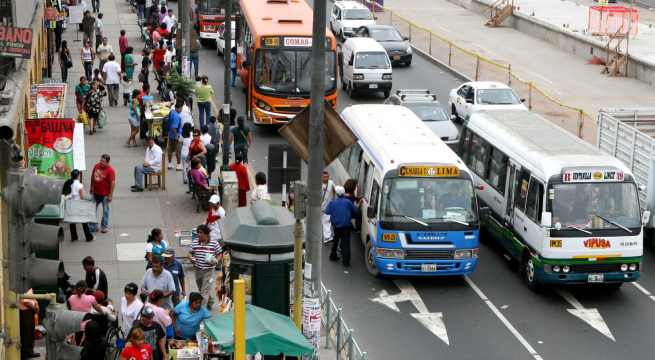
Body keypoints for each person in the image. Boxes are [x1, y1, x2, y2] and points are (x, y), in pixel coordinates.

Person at [325, 186, 362, 267]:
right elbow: (355, 211)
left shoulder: (332, 202)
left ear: (337, 194)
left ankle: (333, 255)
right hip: (346, 226)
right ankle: (346, 262)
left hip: (336, 226)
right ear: (343, 193)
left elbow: (327, 211)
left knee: (335, 240)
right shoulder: (347, 202)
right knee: (346, 243)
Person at [189, 225, 221, 308]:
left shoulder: (214, 243)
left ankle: (202, 310)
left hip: (208, 271)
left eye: (201, 233)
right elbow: (190, 253)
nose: (199, 234)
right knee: (201, 289)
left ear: (207, 234)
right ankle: (210, 301)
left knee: (204, 292)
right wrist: (191, 258)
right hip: (197, 269)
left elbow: (219, 253)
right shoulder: (195, 242)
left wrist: (216, 261)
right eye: (198, 232)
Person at [62, 169, 94, 242]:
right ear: (78, 176)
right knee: (84, 221)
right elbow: (82, 196)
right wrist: (89, 198)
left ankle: (74, 237)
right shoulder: (79, 185)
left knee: (72, 222)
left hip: (70, 204)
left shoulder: (69, 182)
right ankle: (88, 237)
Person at [89, 153, 115, 233]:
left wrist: (110, 195)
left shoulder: (110, 170)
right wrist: (91, 187)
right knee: (92, 209)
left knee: (105, 211)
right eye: (101, 160)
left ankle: (104, 226)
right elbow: (92, 177)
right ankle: (93, 226)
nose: (101, 162)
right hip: (95, 192)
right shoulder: (96, 166)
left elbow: (112, 183)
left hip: (105, 194)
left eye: (103, 161)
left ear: (107, 162)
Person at [19, 290, 39, 359]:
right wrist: (35, 309)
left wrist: (36, 307)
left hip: (30, 312)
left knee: (30, 333)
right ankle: (25, 354)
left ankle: (30, 352)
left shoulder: (30, 289)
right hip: (25, 312)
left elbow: (33, 301)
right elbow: (26, 302)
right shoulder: (25, 288)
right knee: (26, 334)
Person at [166, 102, 183, 170]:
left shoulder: (172, 112)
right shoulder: (176, 116)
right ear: (177, 108)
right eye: (181, 108)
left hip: (170, 134)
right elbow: (174, 127)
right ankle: (178, 165)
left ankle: (170, 164)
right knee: (178, 150)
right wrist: (177, 136)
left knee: (170, 150)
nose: (181, 110)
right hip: (175, 135)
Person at [321, 170, 336, 243]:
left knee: (326, 220)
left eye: (327, 177)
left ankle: (327, 237)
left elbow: (334, 190)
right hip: (320, 206)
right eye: (324, 177)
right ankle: (326, 237)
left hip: (328, 206)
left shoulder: (331, 183)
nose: (325, 178)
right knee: (325, 221)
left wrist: (333, 199)